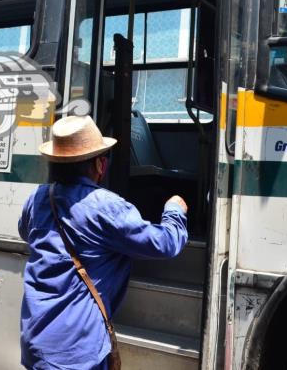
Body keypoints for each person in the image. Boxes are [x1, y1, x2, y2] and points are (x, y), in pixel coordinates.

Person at [18, 115, 188, 370]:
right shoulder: (106, 206)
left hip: (36, 342)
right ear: (100, 165)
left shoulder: (38, 197)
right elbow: (164, 244)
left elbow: (25, 232)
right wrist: (174, 210)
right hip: (74, 352)